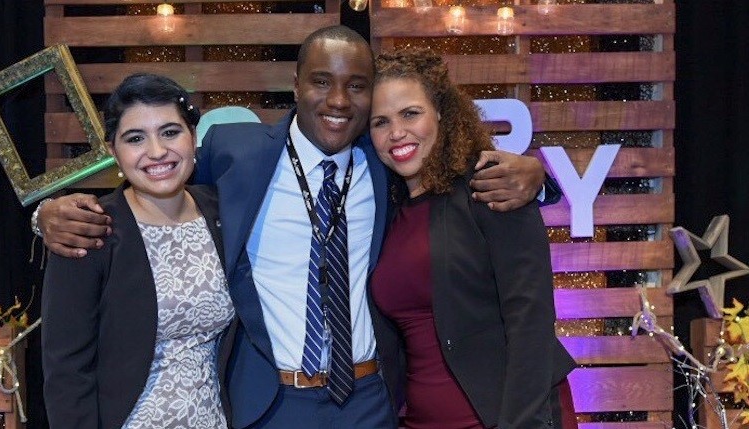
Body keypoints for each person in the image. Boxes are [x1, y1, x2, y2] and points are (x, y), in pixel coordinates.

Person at [36, 26, 552, 428]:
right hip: (270, 402)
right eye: (321, 82)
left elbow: (456, 180)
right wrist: (44, 215)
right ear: (296, 85)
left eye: (357, 87)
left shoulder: (385, 163)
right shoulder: (233, 153)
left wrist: (537, 175)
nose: (338, 101)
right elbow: (158, 186)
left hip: (371, 400)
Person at [368, 47, 577, 428]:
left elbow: (530, 320)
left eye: (410, 113)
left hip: (506, 417)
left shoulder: (492, 185)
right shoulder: (384, 210)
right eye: (380, 122)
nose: (396, 132)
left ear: (442, 113)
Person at [41, 73, 235, 429]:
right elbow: (66, 371)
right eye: (135, 139)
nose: (157, 151)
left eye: (170, 132)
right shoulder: (91, 229)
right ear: (114, 151)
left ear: (193, 137)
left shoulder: (224, 212)